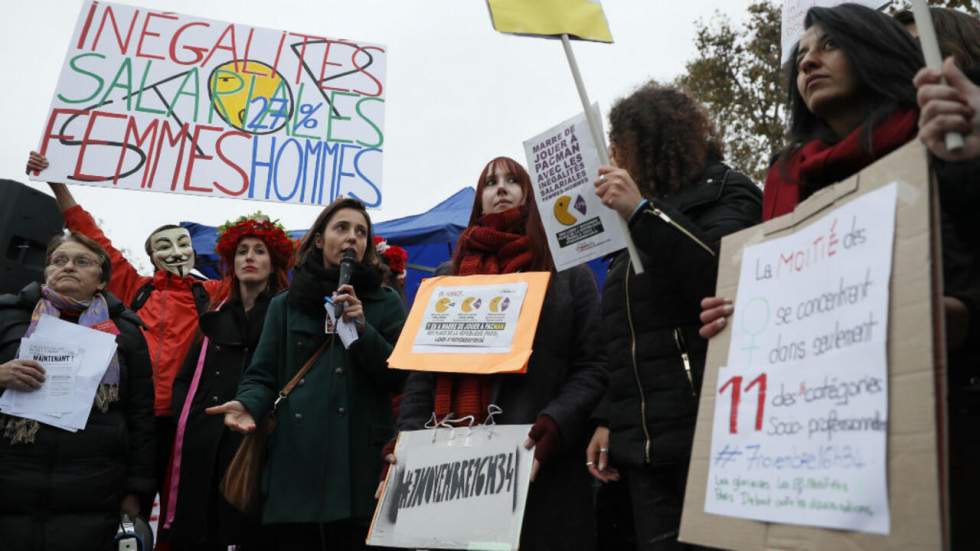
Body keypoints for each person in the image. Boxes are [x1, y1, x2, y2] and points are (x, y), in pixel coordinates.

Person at [695, 5, 979, 547]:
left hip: (943, 437)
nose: (809, 64)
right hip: (818, 461)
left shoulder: (947, 139)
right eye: (800, 57)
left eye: (828, 46)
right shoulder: (784, 180)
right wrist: (737, 317)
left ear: (871, 48)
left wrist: (956, 316)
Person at [391, 156, 608, 550]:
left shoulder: (567, 273)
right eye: (490, 183)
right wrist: (407, 443)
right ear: (480, 200)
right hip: (452, 472)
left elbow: (594, 364)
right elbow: (421, 373)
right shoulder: (446, 278)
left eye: (512, 180)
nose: (501, 188)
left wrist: (553, 425)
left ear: (528, 194)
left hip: (539, 464)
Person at [586, 82, 761, 550]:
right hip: (644, 453)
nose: (613, 160)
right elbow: (623, 339)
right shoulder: (625, 230)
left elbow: (720, 280)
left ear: (651, 144)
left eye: (620, 147)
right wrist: (608, 419)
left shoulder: (727, 191)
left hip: (708, 439)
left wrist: (643, 211)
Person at [26, 151, 228, 523]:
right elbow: (90, 235)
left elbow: (261, 266)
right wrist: (56, 182)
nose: (176, 251)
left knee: (179, 511)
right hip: (131, 416)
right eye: (163, 246)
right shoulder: (137, 287)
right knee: (121, 506)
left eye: (182, 243)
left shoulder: (212, 291)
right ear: (150, 256)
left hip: (185, 419)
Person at [207, 198, 406, 551]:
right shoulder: (286, 304)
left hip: (359, 466)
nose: (351, 238)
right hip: (295, 466)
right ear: (319, 239)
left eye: (361, 232)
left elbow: (400, 376)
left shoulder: (384, 302)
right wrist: (247, 403)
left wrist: (361, 329)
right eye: (341, 228)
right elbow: (262, 374)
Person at [0, 231, 155, 551]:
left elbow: (141, 415)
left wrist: (135, 490)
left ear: (101, 281)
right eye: (59, 261)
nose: (68, 267)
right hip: (12, 480)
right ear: (46, 271)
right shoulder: (8, 316)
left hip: (93, 489)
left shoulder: (126, 332)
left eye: (82, 261)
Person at [165, 213, 294, 550]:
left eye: (259, 251)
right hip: (204, 444)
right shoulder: (215, 314)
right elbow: (185, 377)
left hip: (257, 443)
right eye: (242, 251)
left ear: (274, 262)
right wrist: (189, 420)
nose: (249, 257)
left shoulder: (287, 315)